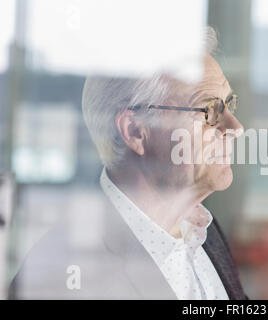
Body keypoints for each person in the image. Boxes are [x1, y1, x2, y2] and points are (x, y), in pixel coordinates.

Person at [9, 27, 248, 300]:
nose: (235, 127)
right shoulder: (58, 277)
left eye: (229, 104)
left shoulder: (205, 232)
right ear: (136, 132)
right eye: (210, 110)